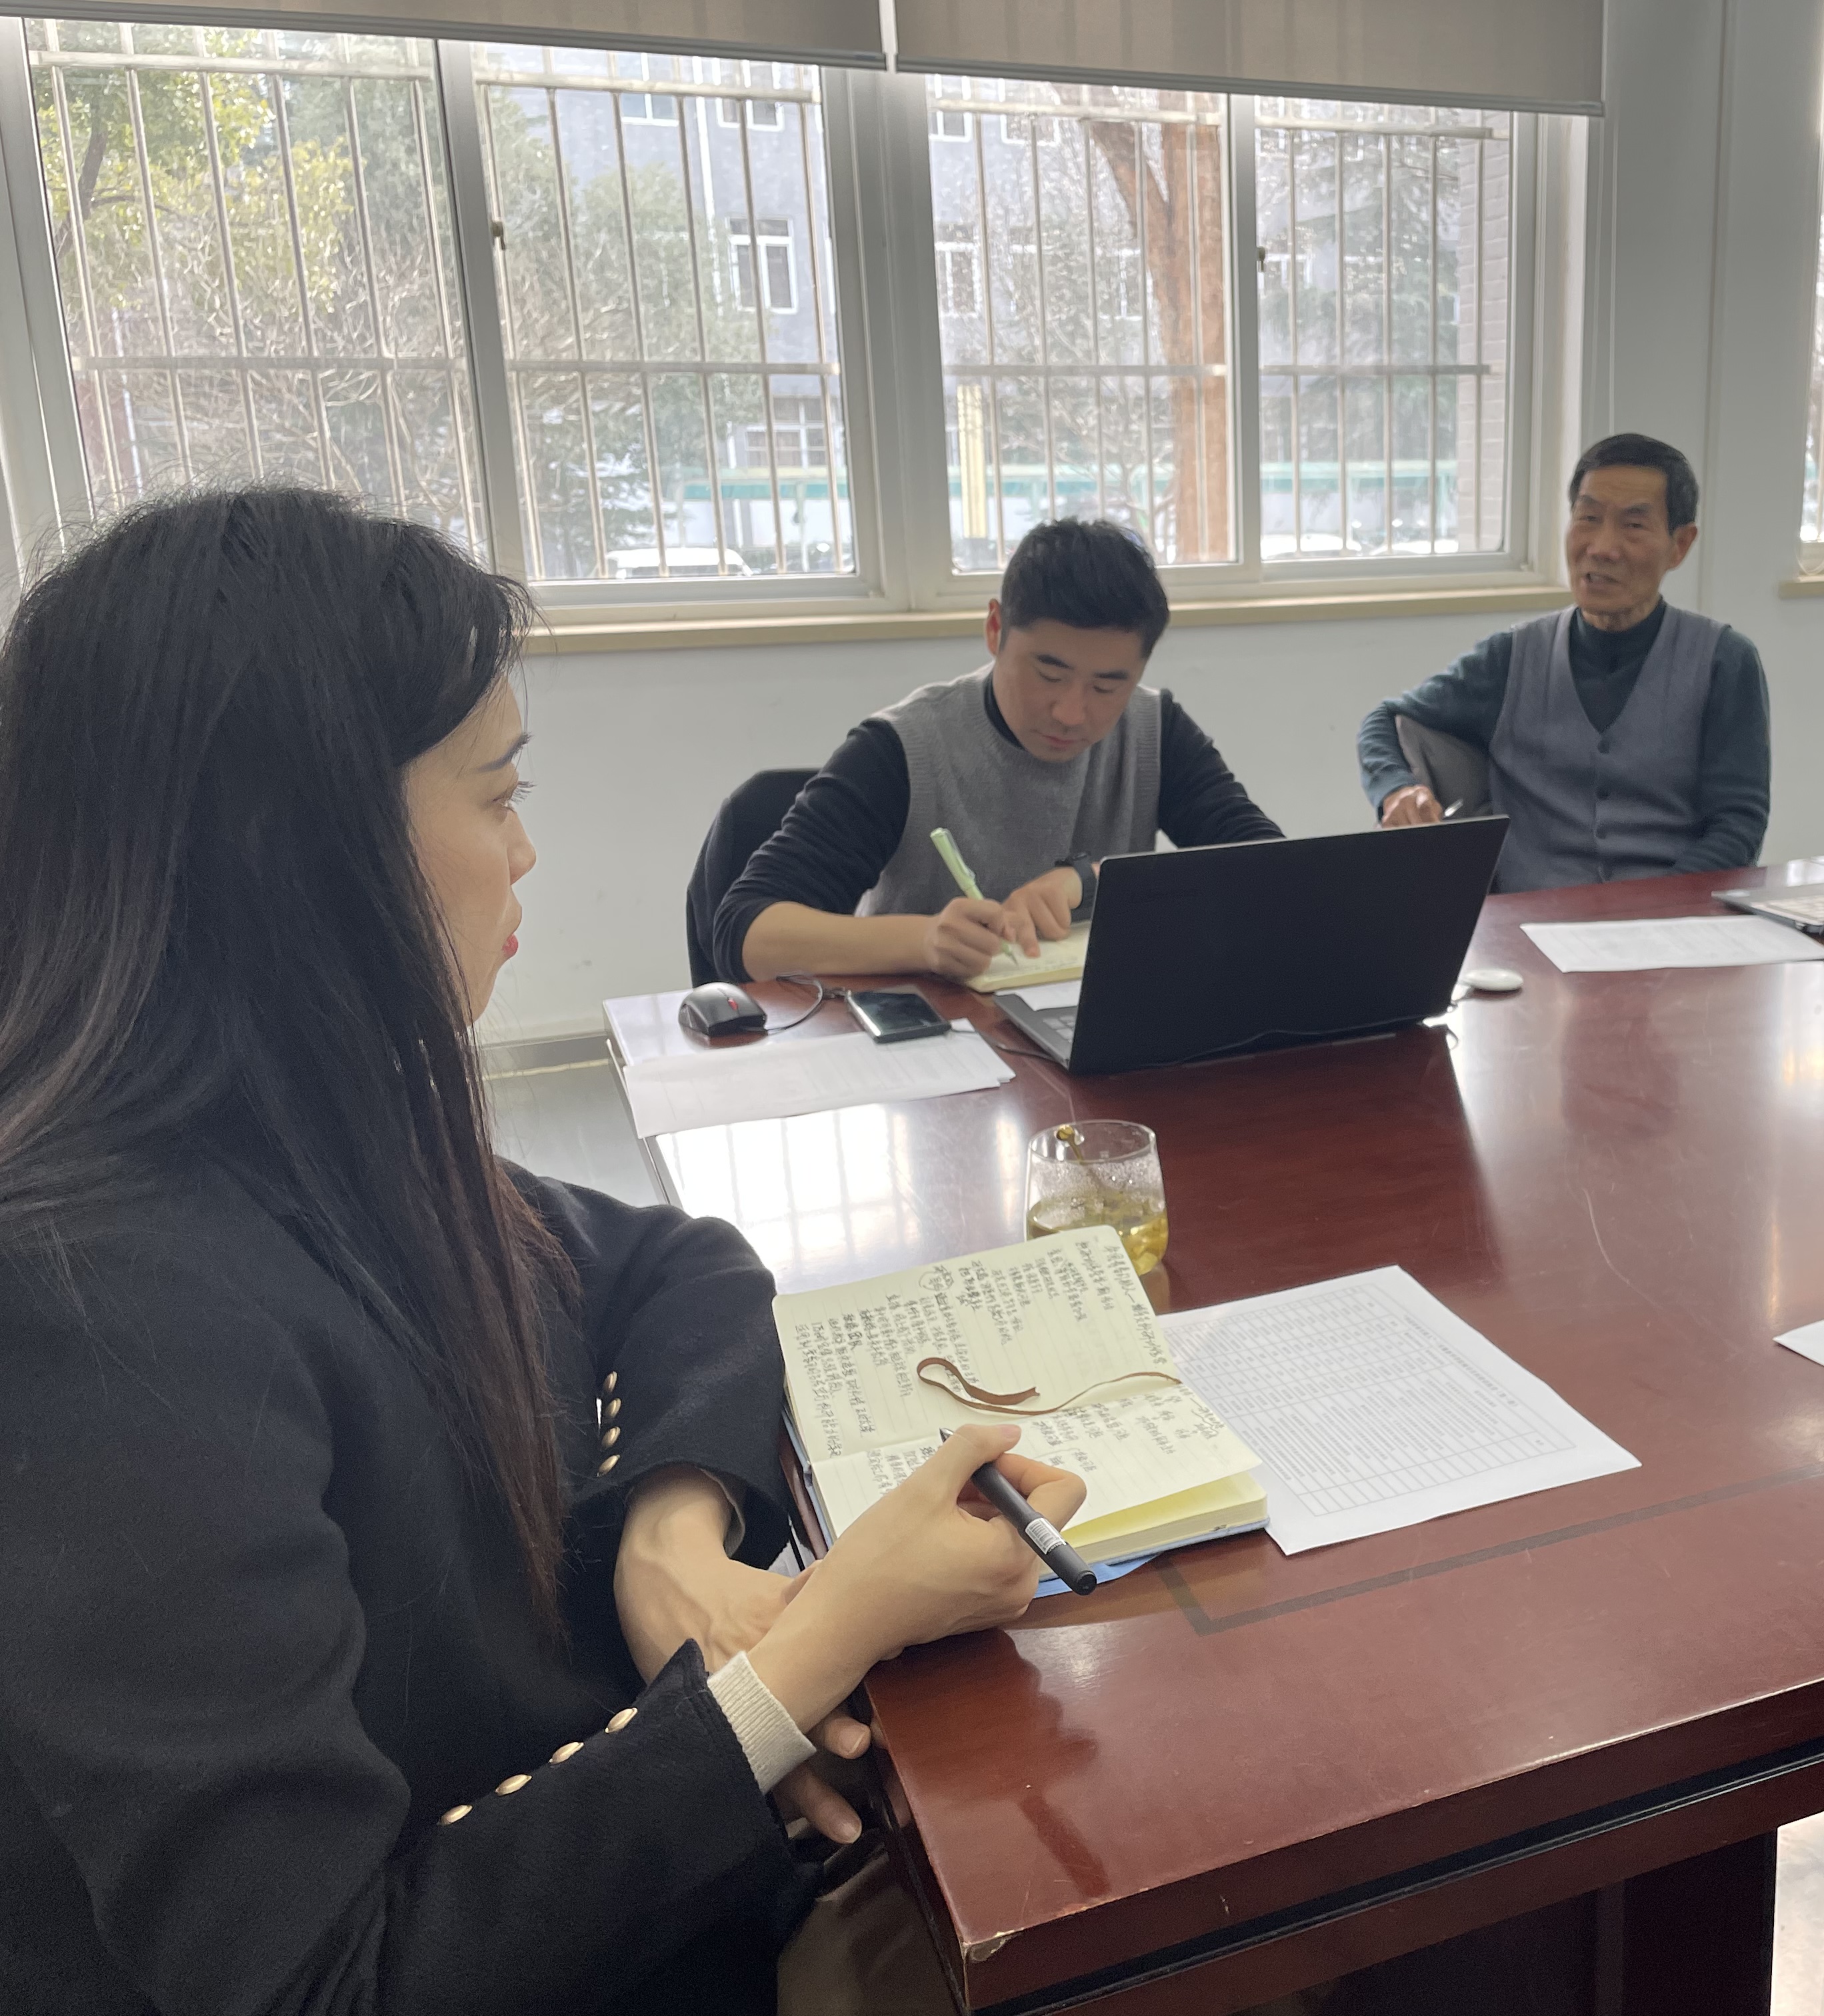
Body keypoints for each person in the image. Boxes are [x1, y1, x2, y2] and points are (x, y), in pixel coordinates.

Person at [0, 488, 1086, 2014]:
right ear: (297, 847)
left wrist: (667, 1535)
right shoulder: (96, 1314)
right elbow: (327, 1980)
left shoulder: (325, 1128)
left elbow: (672, 1262)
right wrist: (813, 1649)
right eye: (495, 794)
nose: (526, 853)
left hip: (622, 1858)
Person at [716, 518, 1281, 983]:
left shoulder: (1155, 730)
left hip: (1090, 1035)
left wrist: (1093, 880)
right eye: (1049, 674)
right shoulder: (902, 749)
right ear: (995, 629)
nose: (1071, 712)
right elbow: (747, 933)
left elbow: (1275, 876)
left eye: (1107, 686)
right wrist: (925, 940)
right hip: (935, 1046)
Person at [1353, 433, 1771, 891]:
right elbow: (1384, 719)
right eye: (1588, 518)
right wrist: (1396, 789)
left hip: (1671, 915)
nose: (1603, 547)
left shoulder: (1724, 662)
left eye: (1633, 525)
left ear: (1680, 544)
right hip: (1526, 920)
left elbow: (1738, 826)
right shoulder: (1510, 659)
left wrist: (1654, 908)